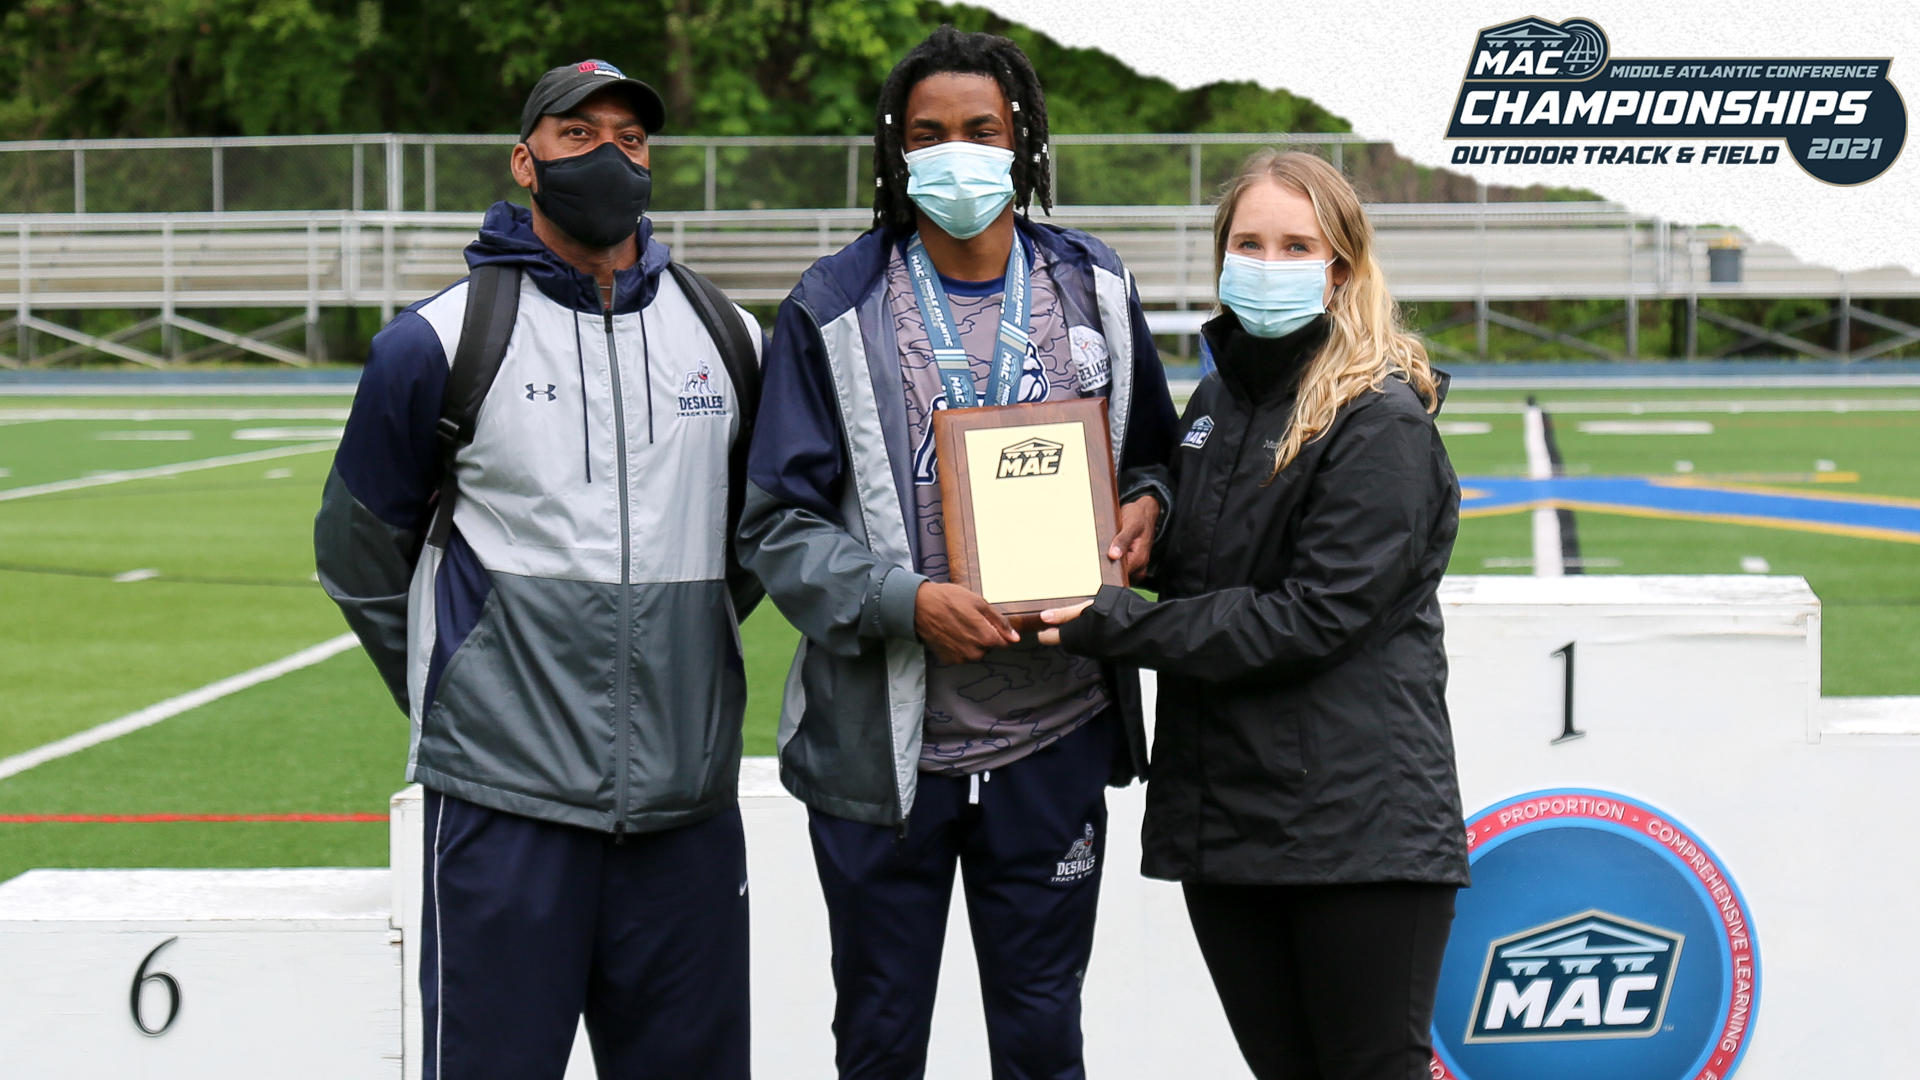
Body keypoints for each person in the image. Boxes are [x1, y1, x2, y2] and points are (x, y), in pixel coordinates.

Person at [738, 26, 1178, 1080]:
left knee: (1042, 1035)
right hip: (887, 753)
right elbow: (776, 526)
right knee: (880, 1037)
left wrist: (1149, 508)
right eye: (928, 134)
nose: (956, 154)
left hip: (1055, 733)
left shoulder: (1093, 285)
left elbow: (1155, 458)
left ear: (1022, 139)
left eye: (981, 129)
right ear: (896, 150)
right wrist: (905, 601)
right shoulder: (831, 307)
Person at [314, 60, 762, 1080]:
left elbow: (751, 544)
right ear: (526, 162)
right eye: (578, 134)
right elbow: (356, 551)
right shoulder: (435, 343)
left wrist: (673, 666)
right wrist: (468, 684)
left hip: (685, 814)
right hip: (502, 810)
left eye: (631, 139)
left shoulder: (731, 337)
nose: (610, 155)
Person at [1038, 149, 1471, 1080]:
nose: (1268, 263)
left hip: (1357, 830)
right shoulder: (1219, 398)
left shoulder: (1379, 418)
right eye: (1249, 242)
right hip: (1230, 818)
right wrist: (1143, 528)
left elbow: (1311, 617)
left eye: (1296, 245)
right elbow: (1215, 568)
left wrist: (1113, 621)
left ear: (1341, 268)